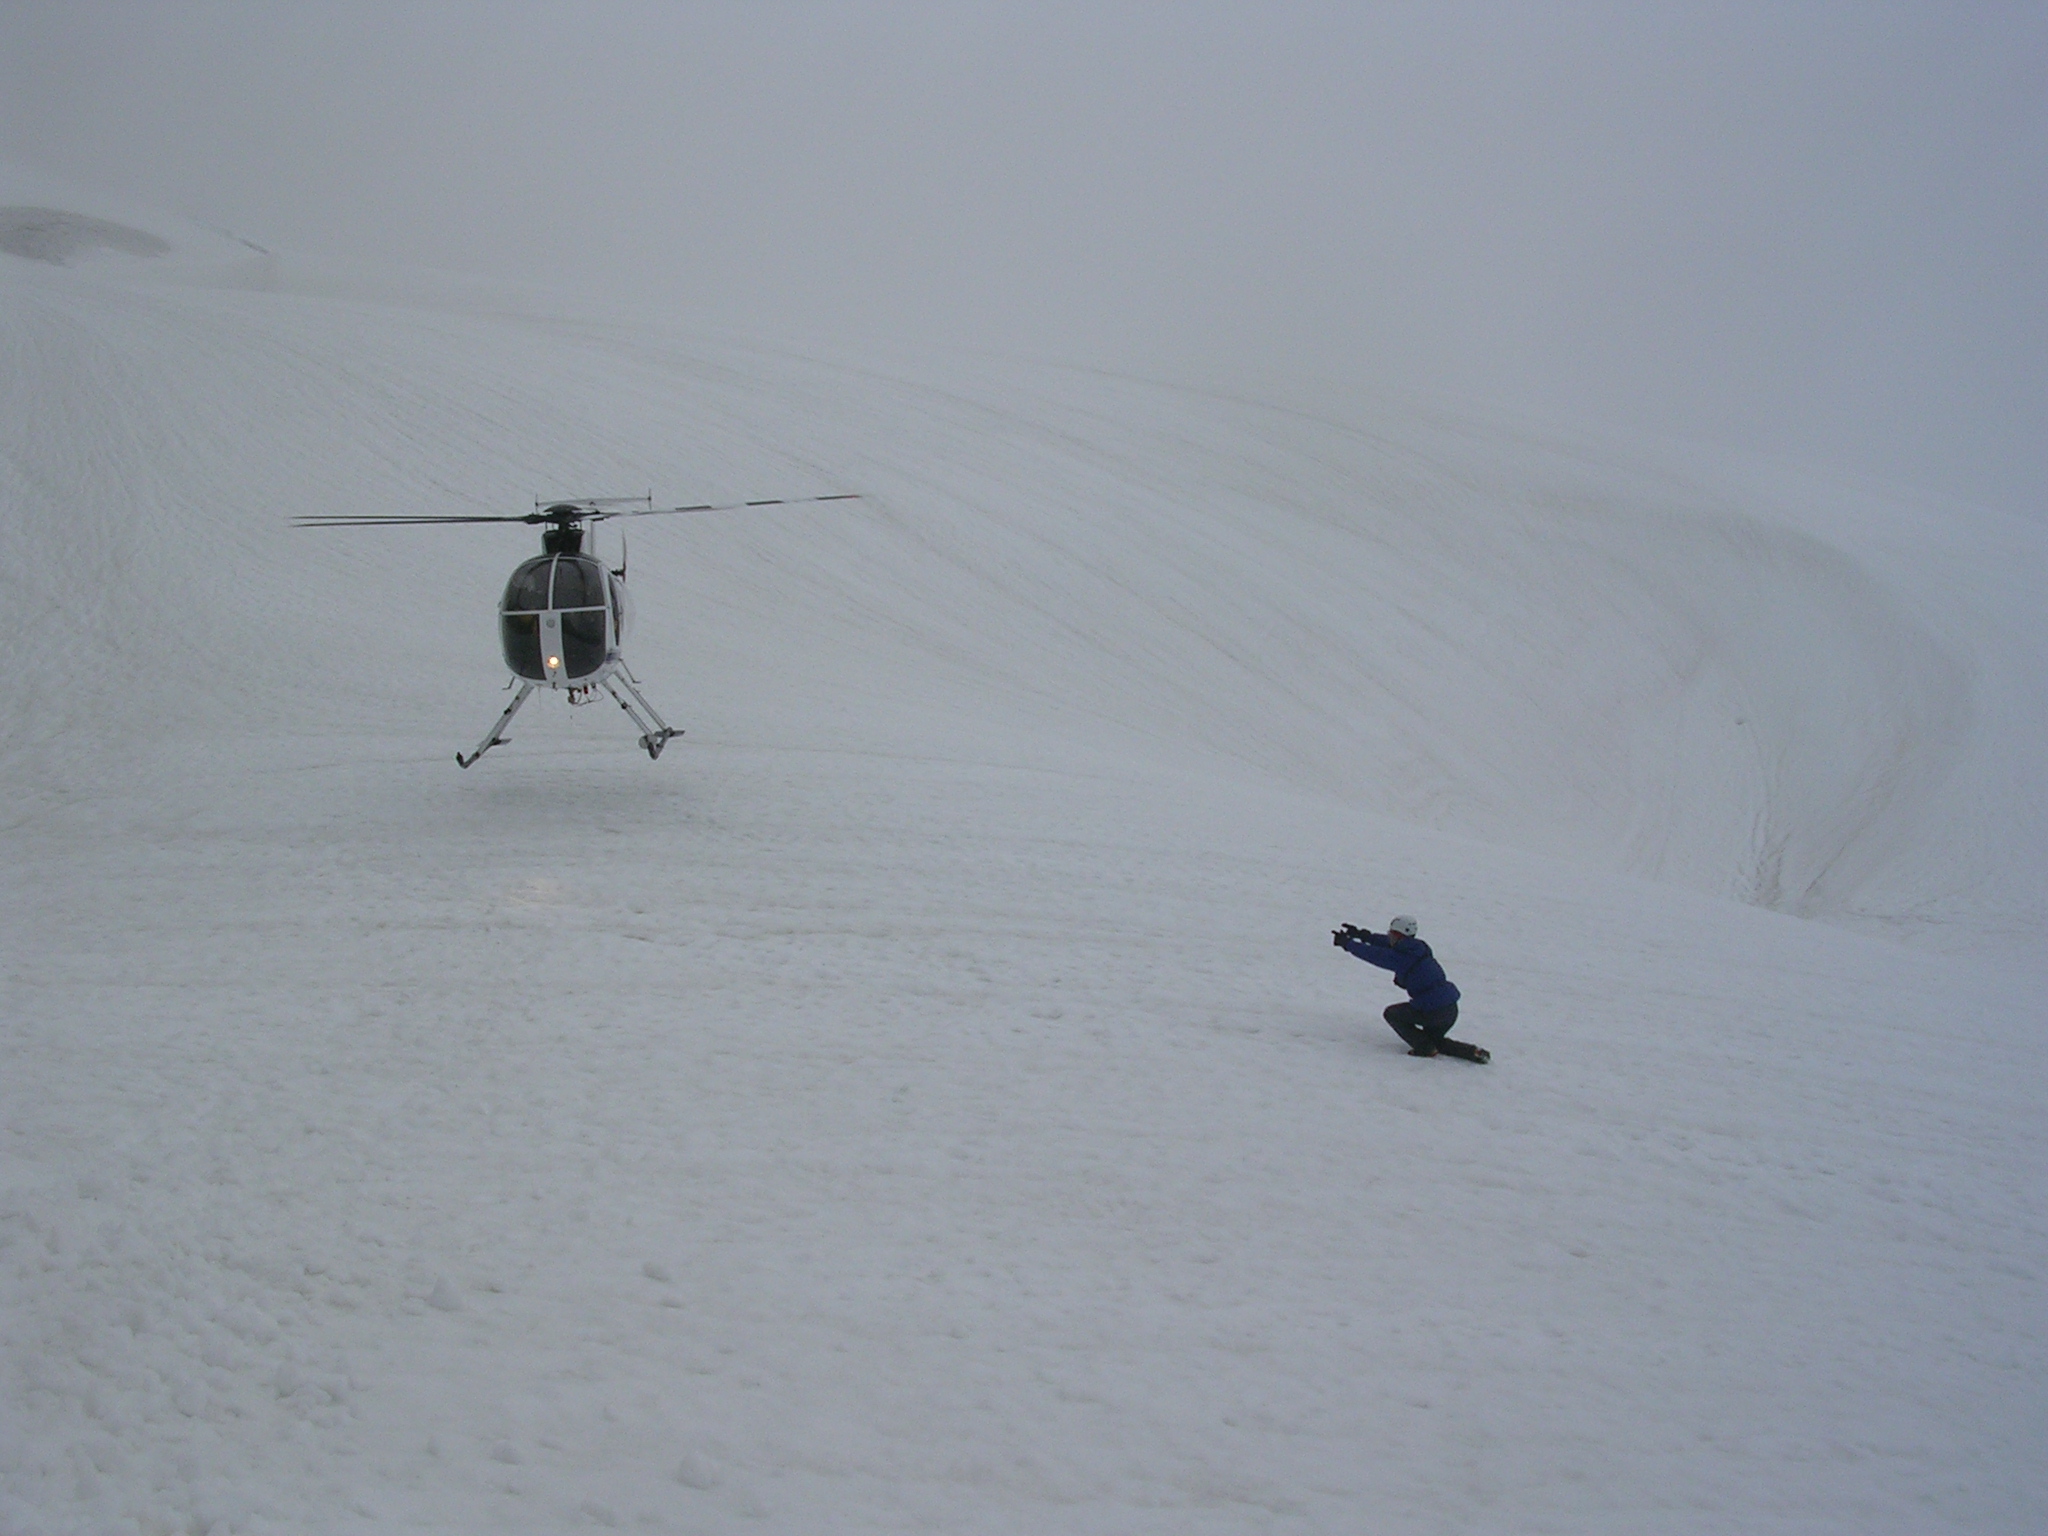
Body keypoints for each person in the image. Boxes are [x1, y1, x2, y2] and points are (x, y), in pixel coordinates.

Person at [1332, 916, 1487, 1062]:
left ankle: (1424, 1048)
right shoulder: (1417, 948)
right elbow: (1386, 943)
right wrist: (1362, 935)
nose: (1389, 936)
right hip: (1450, 1010)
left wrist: (1348, 944)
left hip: (1433, 1011)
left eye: (1392, 933)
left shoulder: (1403, 957)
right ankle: (1472, 1052)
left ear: (1400, 936)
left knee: (1392, 1014)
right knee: (1435, 1041)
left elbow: (1376, 955)